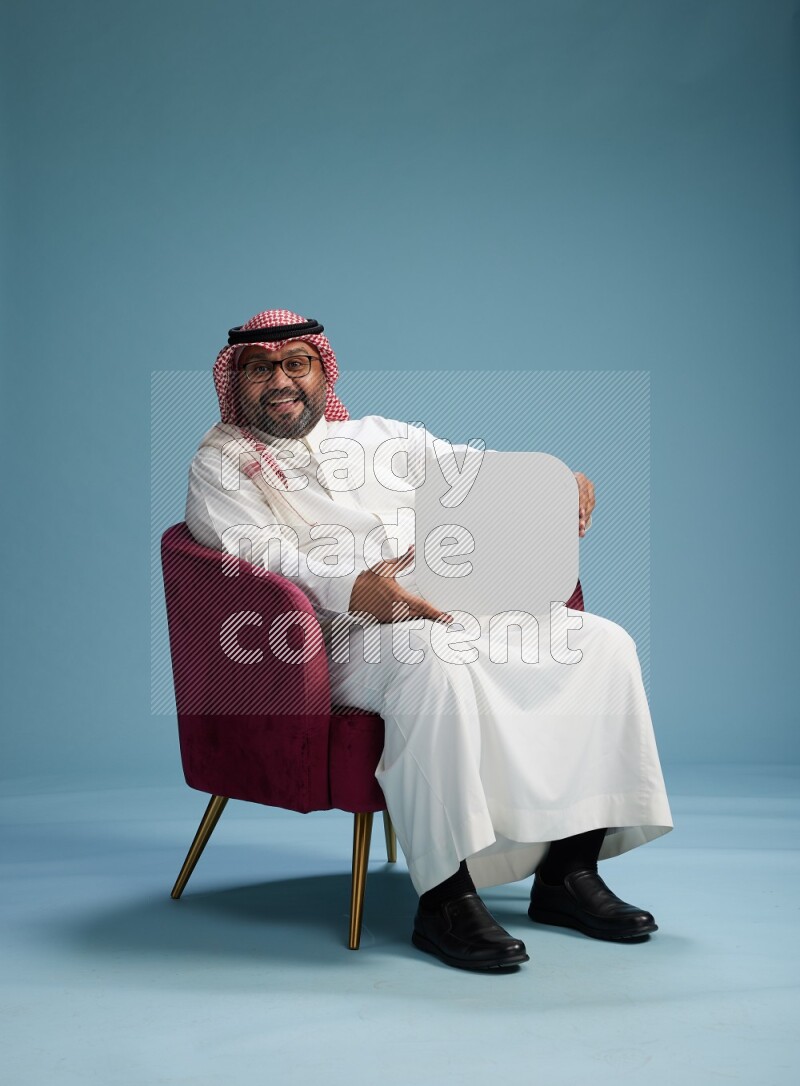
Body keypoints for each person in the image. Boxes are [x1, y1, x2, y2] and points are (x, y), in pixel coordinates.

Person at [184, 308, 673, 972]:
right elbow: (255, 554)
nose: (281, 381)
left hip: (445, 605)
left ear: (323, 372)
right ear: (233, 380)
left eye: (296, 363)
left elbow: (473, 472)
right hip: (329, 639)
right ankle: (445, 898)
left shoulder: (380, 436)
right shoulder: (220, 463)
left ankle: (568, 872)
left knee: (600, 644)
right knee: (432, 663)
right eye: (260, 368)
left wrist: (561, 482)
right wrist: (358, 589)